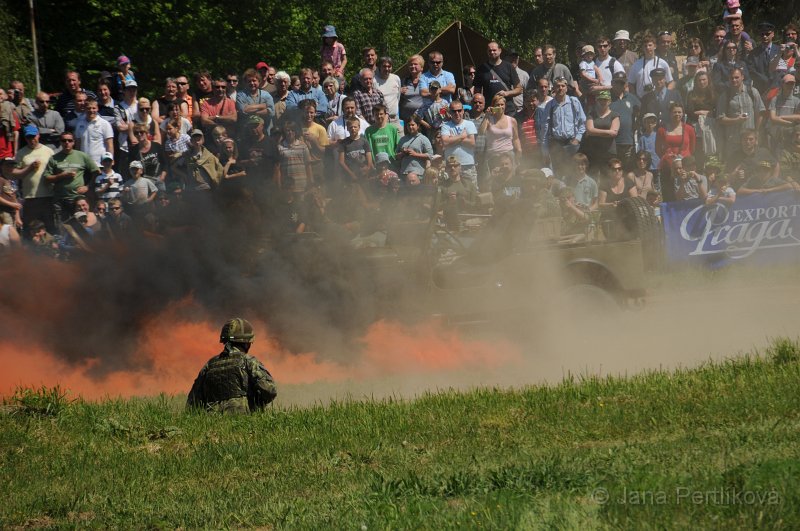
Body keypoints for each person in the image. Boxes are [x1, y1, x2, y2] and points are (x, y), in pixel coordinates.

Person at [541, 76, 586, 177]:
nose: (560, 88)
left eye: (563, 85)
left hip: (572, 143)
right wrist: (544, 150)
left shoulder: (574, 102)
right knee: (559, 173)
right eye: (557, 86)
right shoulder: (549, 105)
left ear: (566, 88)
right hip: (556, 145)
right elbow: (544, 129)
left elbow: (583, 122)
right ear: (554, 88)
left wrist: (577, 139)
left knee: (574, 172)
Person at [474, 41, 522, 115]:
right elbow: (477, 92)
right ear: (487, 52)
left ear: (500, 50)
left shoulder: (509, 67)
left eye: (494, 50)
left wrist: (506, 93)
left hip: (507, 109)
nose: (492, 52)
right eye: (490, 50)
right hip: (491, 109)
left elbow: (519, 89)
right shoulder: (481, 69)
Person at [582, 91, 620, 174]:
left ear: (609, 101)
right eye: (601, 100)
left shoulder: (615, 115)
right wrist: (608, 132)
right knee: (592, 175)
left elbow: (614, 133)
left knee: (608, 177)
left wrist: (595, 131)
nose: (603, 102)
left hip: (609, 152)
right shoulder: (591, 114)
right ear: (597, 101)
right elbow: (589, 130)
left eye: (605, 100)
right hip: (593, 152)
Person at [628, 34, 675, 99]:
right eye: (645, 46)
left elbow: (671, 82)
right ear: (642, 48)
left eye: (650, 45)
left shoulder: (663, 63)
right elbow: (630, 84)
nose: (647, 48)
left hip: (658, 100)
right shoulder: (636, 65)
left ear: (655, 46)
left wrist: (665, 96)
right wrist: (634, 98)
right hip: (641, 100)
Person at [396, 115, 432, 185]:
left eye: (413, 125)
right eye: (409, 125)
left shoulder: (423, 139)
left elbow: (430, 155)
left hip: (419, 173)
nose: (410, 127)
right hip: (404, 173)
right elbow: (396, 156)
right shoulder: (402, 139)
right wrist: (403, 153)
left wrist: (415, 154)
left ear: (418, 126)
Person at [375, 56, 402, 123]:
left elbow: (398, 97)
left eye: (389, 66)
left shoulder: (396, 78)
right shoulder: (374, 80)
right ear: (379, 67)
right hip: (381, 119)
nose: (387, 69)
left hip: (395, 119)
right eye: (384, 66)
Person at [400, 55, 426, 123]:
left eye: (415, 64)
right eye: (411, 64)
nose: (413, 66)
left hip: (423, 120)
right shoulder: (404, 81)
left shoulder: (427, 81)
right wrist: (399, 91)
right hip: (406, 120)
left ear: (422, 67)